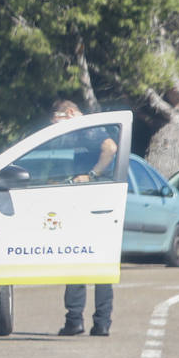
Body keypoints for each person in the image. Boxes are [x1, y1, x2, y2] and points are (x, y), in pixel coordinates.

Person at [50, 100, 117, 337]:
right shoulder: (79, 133)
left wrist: (91, 175)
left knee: (82, 260)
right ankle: (95, 322)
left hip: (93, 199)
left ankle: (80, 320)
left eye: (57, 119)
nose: (55, 124)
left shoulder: (89, 128)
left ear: (69, 113)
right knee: (91, 261)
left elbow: (110, 148)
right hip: (90, 201)